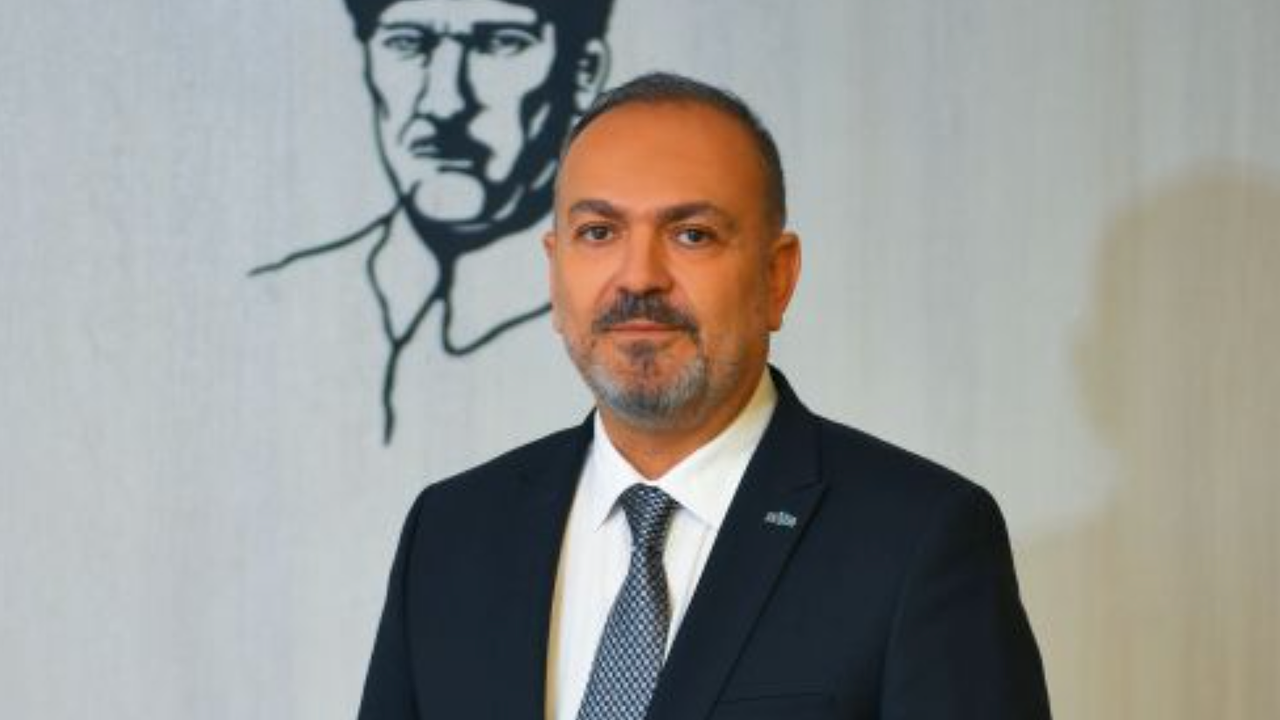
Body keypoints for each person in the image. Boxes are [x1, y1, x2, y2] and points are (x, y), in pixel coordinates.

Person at [358, 72, 1051, 719]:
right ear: (555, 268)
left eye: (692, 235)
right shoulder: (452, 533)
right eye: (598, 233)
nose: (639, 277)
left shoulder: (917, 537)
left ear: (777, 277)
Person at [251, 0, 614, 442]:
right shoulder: (271, 302)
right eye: (408, 43)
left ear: (583, 72)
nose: (445, 102)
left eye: (499, 43)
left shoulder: (626, 333)